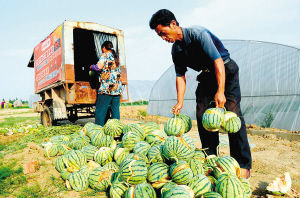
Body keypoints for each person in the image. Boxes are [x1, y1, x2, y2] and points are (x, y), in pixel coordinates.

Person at [149, 9, 252, 179]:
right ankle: (211, 158)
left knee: (233, 115)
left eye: (163, 33)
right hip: (206, 75)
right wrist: (179, 102)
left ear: (173, 24)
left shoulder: (198, 34)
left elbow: (217, 61)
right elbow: (180, 77)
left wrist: (220, 91)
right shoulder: (176, 50)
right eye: (160, 35)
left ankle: (242, 164)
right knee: (203, 115)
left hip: (225, 69)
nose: (163, 38)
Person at [90, 41, 122, 126]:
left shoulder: (105, 55)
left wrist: (91, 66)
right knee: (115, 111)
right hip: (117, 88)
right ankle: (116, 131)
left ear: (104, 48)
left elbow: (98, 68)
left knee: (100, 111)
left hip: (106, 88)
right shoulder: (116, 57)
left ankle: (99, 130)